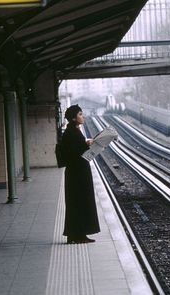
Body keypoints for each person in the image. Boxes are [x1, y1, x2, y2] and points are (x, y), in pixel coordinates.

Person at [61, 104, 100, 244]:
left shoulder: (73, 130)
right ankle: (76, 235)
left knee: (78, 203)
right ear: (73, 118)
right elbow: (74, 152)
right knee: (78, 202)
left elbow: (76, 148)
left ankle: (78, 234)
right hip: (77, 174)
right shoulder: (71, 132)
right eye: (80, 114)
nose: (82, 116)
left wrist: (85, 143)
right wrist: (87, 144)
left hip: (78, 172)